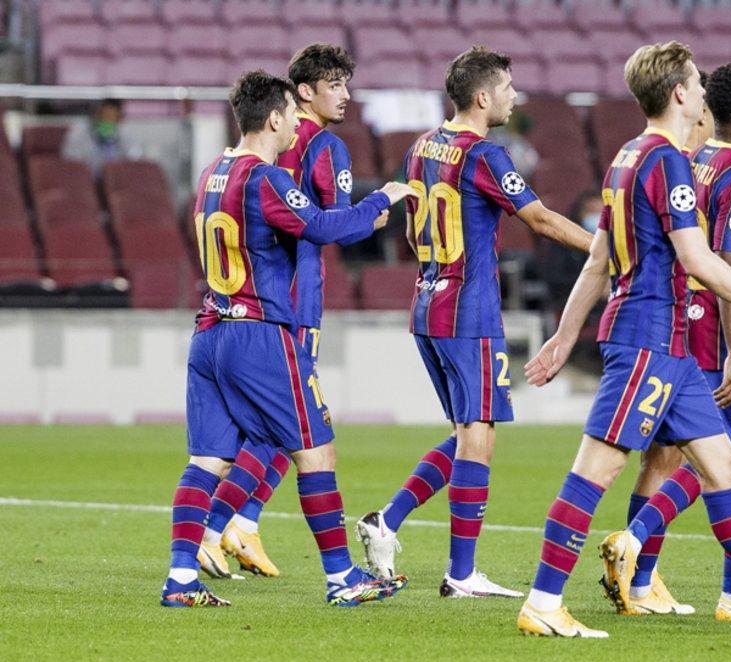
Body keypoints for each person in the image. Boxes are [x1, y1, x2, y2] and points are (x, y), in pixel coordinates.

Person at [515, 42, 731, 639]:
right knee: (595, 471)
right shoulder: (666, 161)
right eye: (695, 81)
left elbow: (597, 259)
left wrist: (565, 337)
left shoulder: (626, 156)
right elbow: (698, 257)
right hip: (648, 337)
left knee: (722, 465)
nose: (702, 92)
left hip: (672, 348)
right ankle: (542, 600)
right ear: (680, 94)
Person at [161, 70, 413, 608]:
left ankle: (180, 578)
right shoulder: (265, 178)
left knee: (207, 461)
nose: (297, 124)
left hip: (210, 331)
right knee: (316, 452)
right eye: (292, 116)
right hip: (260, 334)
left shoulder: (213, 172)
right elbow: (323, 228)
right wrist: (381, 200)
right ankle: (342, 578)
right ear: (275, 117)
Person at [354, 46, 593, 598]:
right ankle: (461, 573)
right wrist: (606, 249)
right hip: (468, 310)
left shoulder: (420, 148)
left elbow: (411, 228)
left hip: (428, 304)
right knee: (479, 436)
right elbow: (539, 219)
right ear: (482, 96)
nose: (514, 95)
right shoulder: (485, 155)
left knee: (468, 430)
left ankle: (387, 521)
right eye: (508, 87)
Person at [618, 61, 731, 623]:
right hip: (723, 321)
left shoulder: (694, 159)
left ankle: (642, 576)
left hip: (682, 319)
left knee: (676, 451)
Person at [197, 43, 362, 582]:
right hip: (287, 306)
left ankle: (228, 524)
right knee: (301, 434)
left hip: (232, 305)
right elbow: (333, 225)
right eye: (335, 84)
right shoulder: (324, 145)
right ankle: (232, 524)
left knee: (266, 428)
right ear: (302, 96)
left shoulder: (236, 159)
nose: (346, 94)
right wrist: (380, 205)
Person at [64, 98, 128, 172]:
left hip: (112, 178)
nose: (107, 120)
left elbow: (130, 160)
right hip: (84, 176)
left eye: (112, 116)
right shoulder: (79, 130)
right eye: (104, 115)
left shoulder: (123, 133)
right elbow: (69, 158)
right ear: (96, 113)